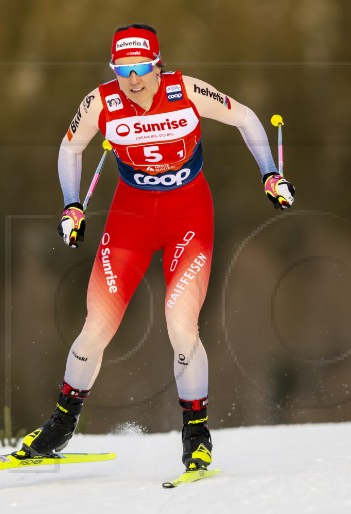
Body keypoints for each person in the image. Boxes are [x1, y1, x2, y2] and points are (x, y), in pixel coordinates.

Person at [17, 23, 295, 471]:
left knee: (179, 320)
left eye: (142, 67)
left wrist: (269, 173)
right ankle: (61, 424)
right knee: (98, 323)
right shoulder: (100, 101)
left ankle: (196, 435)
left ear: (157, 63)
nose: (133, 79)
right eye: (123, 69)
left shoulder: (185, 89)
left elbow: (243, 116)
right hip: (131, 217)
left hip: (188, 214)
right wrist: (71, 205)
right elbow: (70, 148)